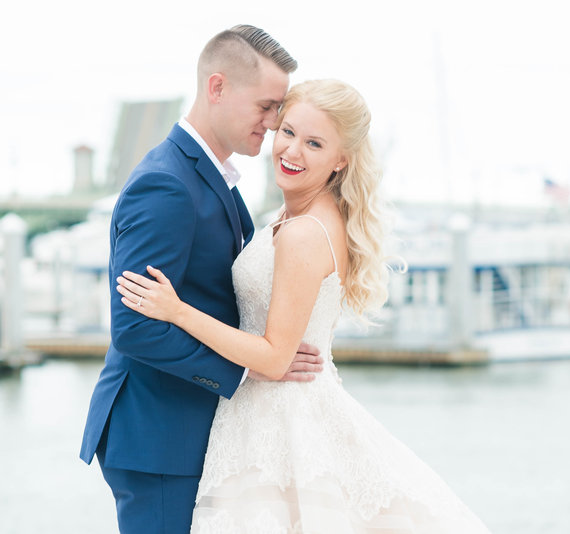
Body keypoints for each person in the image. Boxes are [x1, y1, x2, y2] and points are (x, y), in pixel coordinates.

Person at [116, 78, 493, 533]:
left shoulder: (303, 233)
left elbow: (276, 357)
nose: (292, 151)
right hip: (269, 414)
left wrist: (177, 311)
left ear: (342, 160)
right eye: (288, 132)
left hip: (283, 421)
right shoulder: (291, 217)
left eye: (314, 143)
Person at [79, 25, 325, 534]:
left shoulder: (214, 179)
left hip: (191, 429)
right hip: (159, 437)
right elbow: (136, 327)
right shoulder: (166, 184)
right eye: (266, 106)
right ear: (217, 88)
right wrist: (246, 370)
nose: (274, 122)